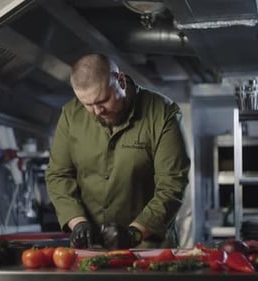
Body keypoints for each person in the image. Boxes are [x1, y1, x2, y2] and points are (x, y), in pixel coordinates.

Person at [45, 53, 190, 249]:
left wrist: (135, 233)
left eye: (103, 100)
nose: (97, 111)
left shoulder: (163, 113)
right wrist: (77, 222)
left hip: (147, 246)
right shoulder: (71, 115)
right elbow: (58, 175)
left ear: (120, 80)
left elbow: (172, 184)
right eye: (87, 104)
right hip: (91, 247)